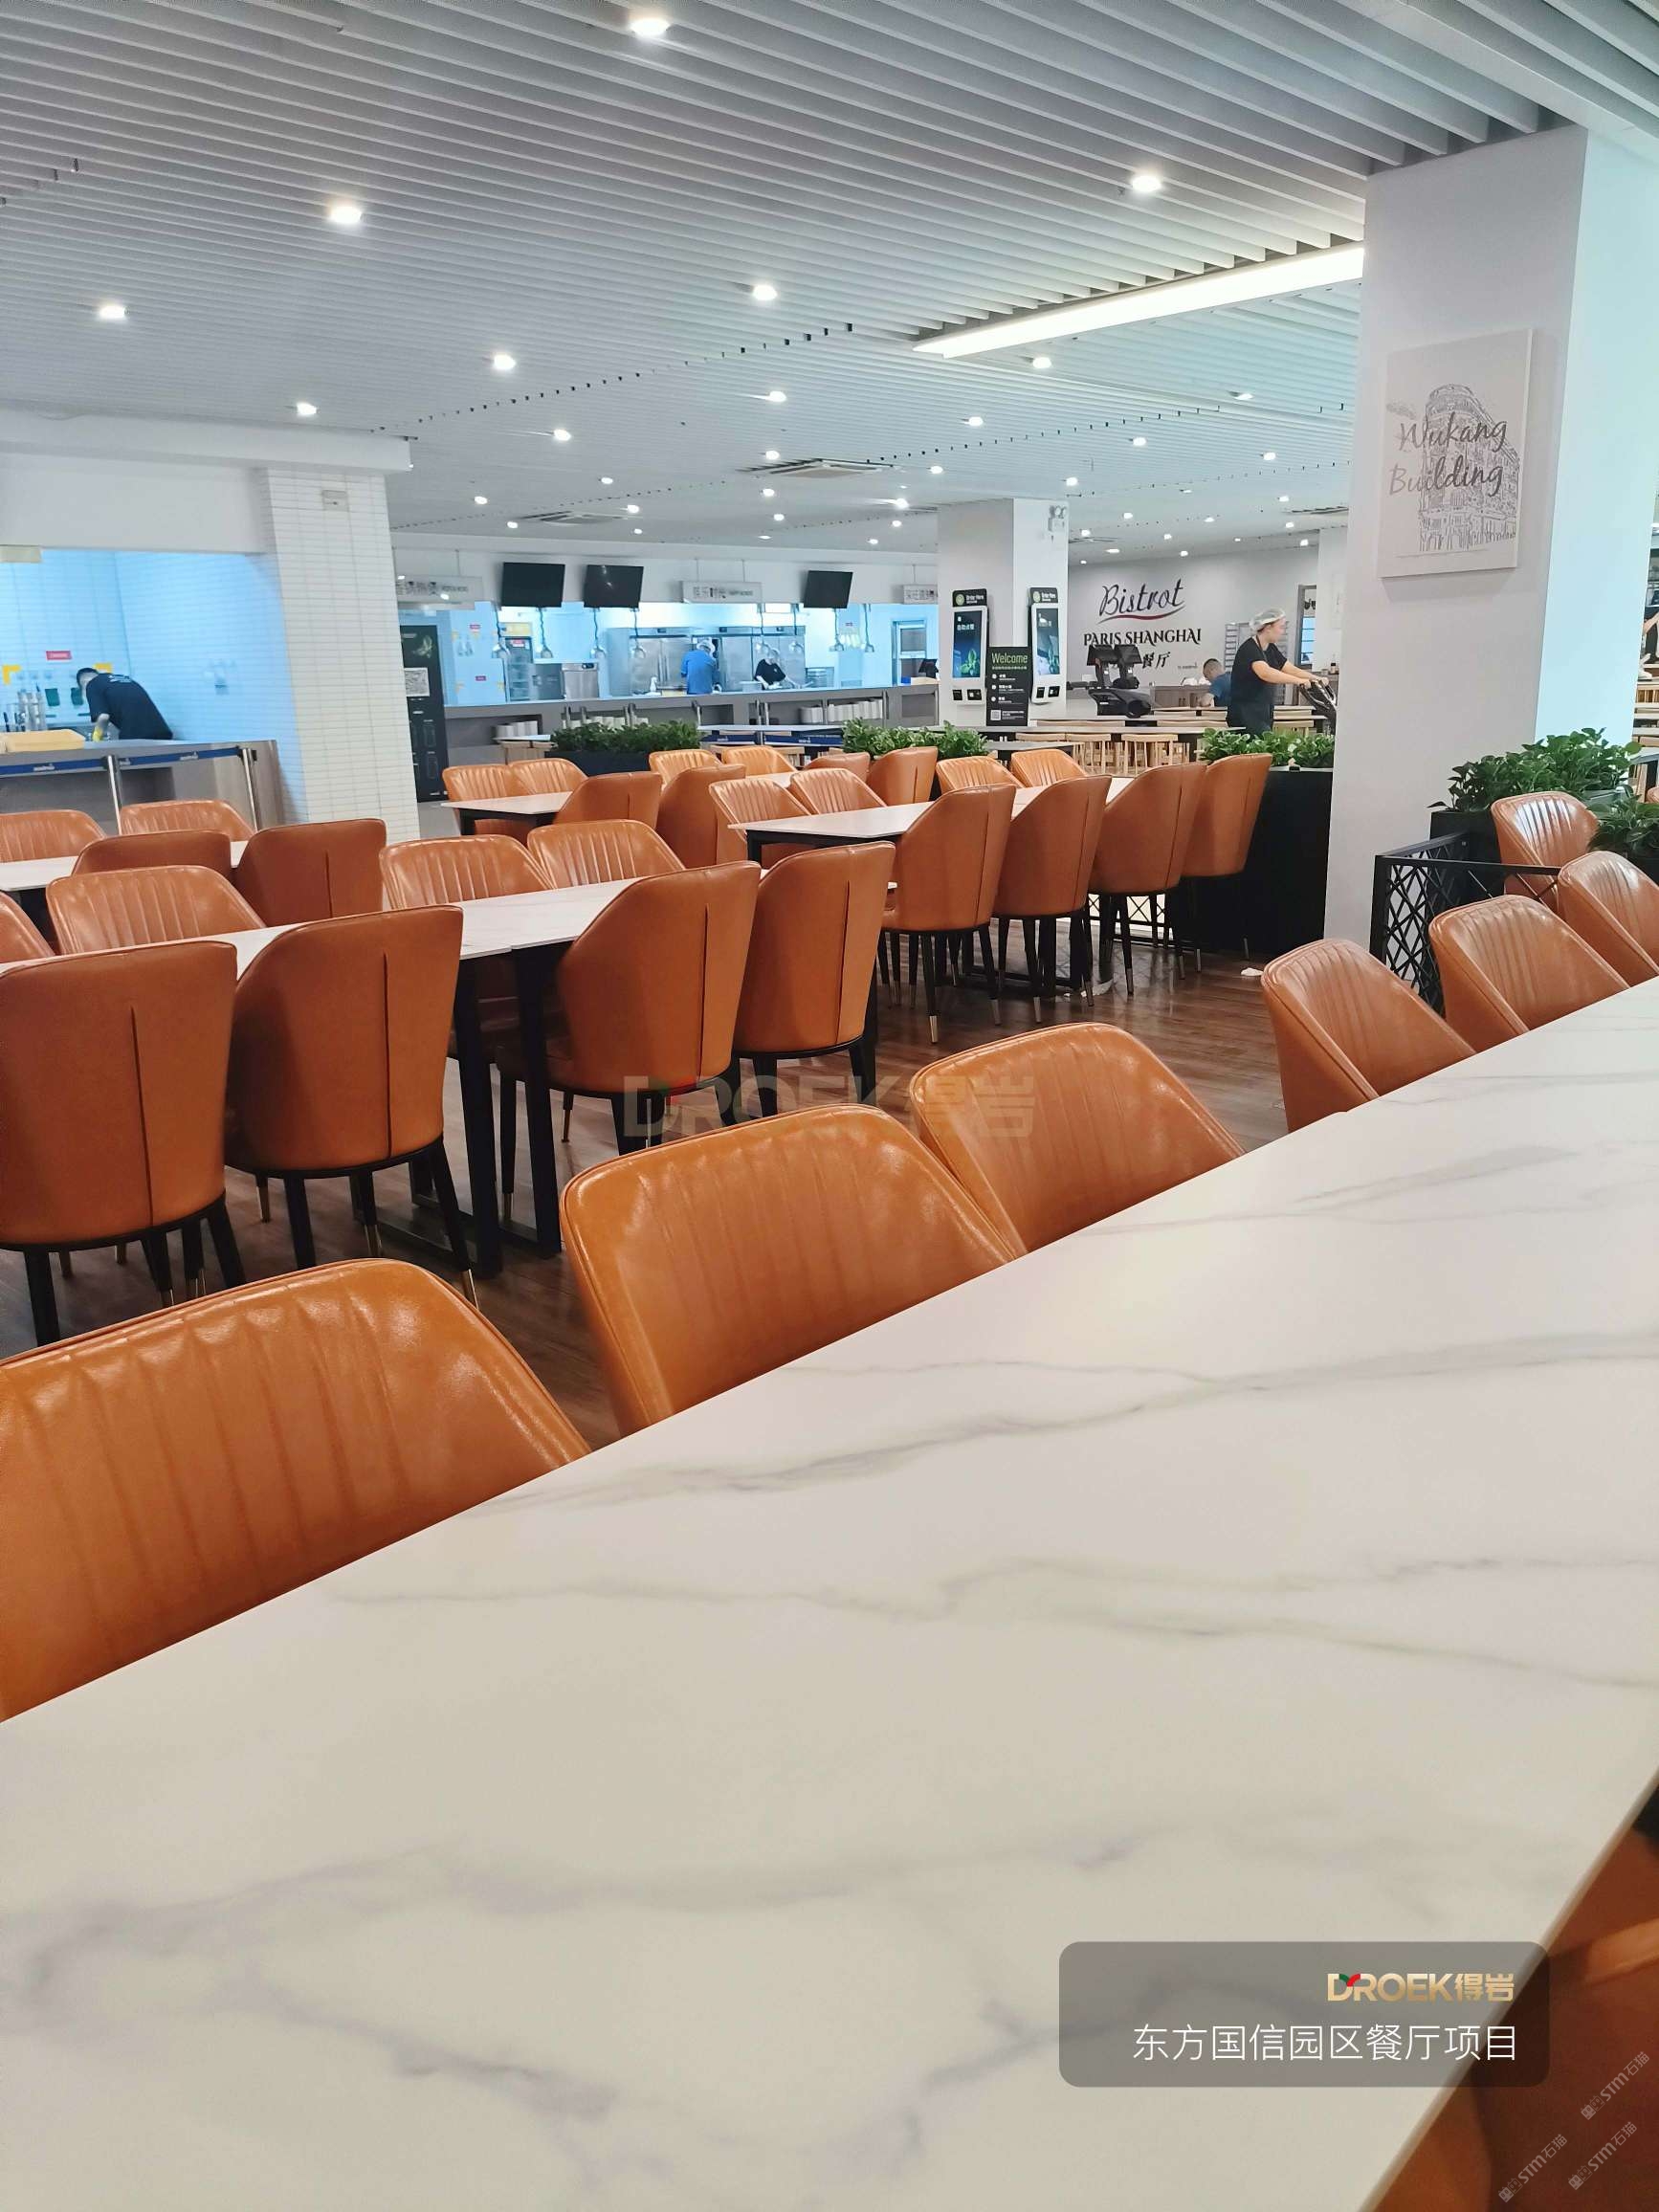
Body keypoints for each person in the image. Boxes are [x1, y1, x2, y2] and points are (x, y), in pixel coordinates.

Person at [1226, 610, 1316, 735]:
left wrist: (1315, 678)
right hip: (1245, 713)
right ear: (1268, 628)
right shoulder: (1249, 649)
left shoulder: (1271, 648)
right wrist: (1298, 681)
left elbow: (1290, 669)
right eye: (1280, 627)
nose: (1282, 631)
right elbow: (1265, 673)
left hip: (1263, 712)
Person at [77, 665, 172, 741]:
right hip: (162, 732)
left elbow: (103, 717)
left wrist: (97, 738)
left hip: (137, 737)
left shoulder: (92, 685)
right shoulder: (123, 679)